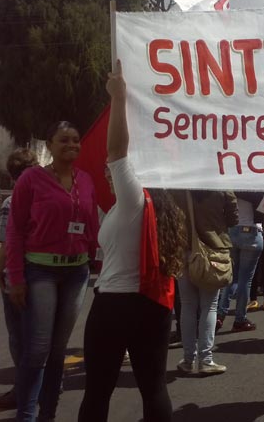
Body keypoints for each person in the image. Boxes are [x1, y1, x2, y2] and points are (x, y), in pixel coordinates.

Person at [78, 66, 188, 421]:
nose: (107, 172)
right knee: (154, 388)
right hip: (153, 307)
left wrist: (119, 98)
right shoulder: (152, 205)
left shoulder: (133, 200)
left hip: (115, 304)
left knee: (98, 391)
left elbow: (116, 150)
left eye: (110, 170)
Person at [6, 121, 100, 422]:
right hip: (40, 272)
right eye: (64, 140)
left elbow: (91, 226)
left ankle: (48, 414)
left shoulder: (85, 180)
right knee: (37, 349)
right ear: (49, 145)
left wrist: (96, 260)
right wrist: (16, 278)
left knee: (59, 350)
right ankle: (26, 416)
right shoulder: (31, 179)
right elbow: (15, 230)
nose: (72, 145)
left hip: (76, 273)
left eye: (76, 140)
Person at [0, 148, 39, 409]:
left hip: (17, 276)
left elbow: (7, 242)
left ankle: (22, 391)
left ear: (12, 175)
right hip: (45, 274)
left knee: (19, 337)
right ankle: (47, 386)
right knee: (41, 336)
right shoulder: (48, 194)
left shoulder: (13, 200)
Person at [175, 189, 237, 376]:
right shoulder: (220, 185)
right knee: (209, 305)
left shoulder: (178, 185)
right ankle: (205, 359)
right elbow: (233, 218)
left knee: (187, 305)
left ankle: (188, 359)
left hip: (184, 248)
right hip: (213, 249)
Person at [217, 192, 264, 332]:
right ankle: (239, 319)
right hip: (251, 231)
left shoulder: (231, 187)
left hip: (232, 230)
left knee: (231, 277)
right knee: (245, 280)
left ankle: (220, 314)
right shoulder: (255, 189)